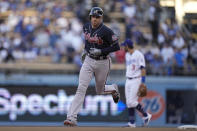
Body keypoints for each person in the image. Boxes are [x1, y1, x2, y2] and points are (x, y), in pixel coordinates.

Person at [64, 7, 120, 126]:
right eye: (93, 16)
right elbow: (88, 41)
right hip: (89, 60)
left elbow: (116, 47)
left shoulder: (107, 31)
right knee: (81, 88)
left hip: (103, 62)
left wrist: (102, 51)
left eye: (98, 17)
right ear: (90, 17)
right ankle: (72, 117)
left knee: (100, 91)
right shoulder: (86, 27)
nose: (95, 19)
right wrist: (85, 50)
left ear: (101, 18)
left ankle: (113, 88)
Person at [121, 39, 152, 127]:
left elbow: (143, 69)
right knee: (128, 102)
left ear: (127, 46)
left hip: (136, 79)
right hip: (128, 79)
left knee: (132, 101)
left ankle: (146, 115)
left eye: (124, 46)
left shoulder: (139, 54)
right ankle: (132, 123)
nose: (123, 47)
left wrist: (143, 82)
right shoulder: (127, 55)